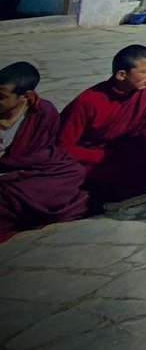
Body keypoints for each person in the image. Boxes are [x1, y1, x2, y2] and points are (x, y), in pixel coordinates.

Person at [59, 45, 146, 209]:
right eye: (144, 72)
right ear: (122, 75)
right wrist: (103, 156)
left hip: (132, 153)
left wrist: (141, 148)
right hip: (99, 158)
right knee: (80, 176)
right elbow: (64, 147)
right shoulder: (89, 101)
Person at [0, 61, 88, 242]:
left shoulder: (43, 111)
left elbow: (44, 150)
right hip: (8, 175)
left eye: (1, 96)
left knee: (73, 172)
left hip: (27, 169)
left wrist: (16, 164)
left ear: (27, 96)